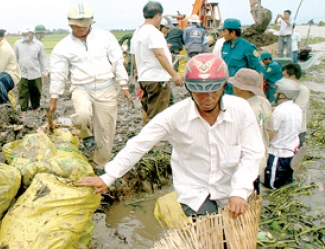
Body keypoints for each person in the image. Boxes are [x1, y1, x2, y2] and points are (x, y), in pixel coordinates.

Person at [79, 54, 263, 219]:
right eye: (199, 90)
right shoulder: (174, 116)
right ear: (189, 88)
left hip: (231, 185)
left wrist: (239, 191)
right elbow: (140, 144)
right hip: (195, 191)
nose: (206, 97)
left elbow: (253, 153)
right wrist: (108, 176)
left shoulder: (241, 110)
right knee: (210, 231)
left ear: (224, 85)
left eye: (213, 90)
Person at [49, 3, 132, 175]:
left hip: (106, 87)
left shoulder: (105, 37)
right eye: (78, 25)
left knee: (105, 131)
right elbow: (59, 73)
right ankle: (86, 134)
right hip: (81, 88)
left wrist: (123, 84)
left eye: (86, 24)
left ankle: (99, 165)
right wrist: (54, 97)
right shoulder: (63, 47)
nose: (82, 28)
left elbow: (117, 61)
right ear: (70, 24)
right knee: (82, 114)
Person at [131, 2, 182, 125]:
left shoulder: (137, 33)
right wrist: (174, 74)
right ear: (158, 15)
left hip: (145, 77)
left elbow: (134, 56)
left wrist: (137, 73)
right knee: (157, 114)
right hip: (157, 78)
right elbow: (159, 54)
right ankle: (154, 141)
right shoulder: (153, 33)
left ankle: (160, 137)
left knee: (149, 108)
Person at [229, 68, 274, 194]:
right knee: (255, 186)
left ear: (240, 88)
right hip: (260, 157)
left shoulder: (239, 109)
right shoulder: (264, 102)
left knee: (242, 189)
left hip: (245, 160)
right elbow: (271, 130)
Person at [263, 78, 302, 189]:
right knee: (285, 186)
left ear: (283, 95)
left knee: (272, 187)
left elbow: (270, 136)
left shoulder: (280, 111)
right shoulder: (297, 109)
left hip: (278, 156)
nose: (274, 94)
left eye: (276, 92)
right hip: (290, 154)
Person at [220, 18, 263, 95]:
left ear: (232, 33)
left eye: (224, 31)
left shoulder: (248, 48)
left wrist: (260, 93)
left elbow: (258, 71)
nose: (223, 34)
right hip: (226, 88)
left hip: (242, 90)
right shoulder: (225, 46)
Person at [14, 26, 48, 118]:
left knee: (36, 94)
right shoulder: (18, 44)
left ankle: (34, 114)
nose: (23, 36)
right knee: (22, 94)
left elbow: (43, 59)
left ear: (31, 34)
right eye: (22, 34)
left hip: (35, 74)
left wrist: (45, 72)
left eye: (25, 34)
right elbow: (16, 59)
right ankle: (24, 116)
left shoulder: (39, 44)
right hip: (22, 74)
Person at [282, 63, 309, 148]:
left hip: (297, 130)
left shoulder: (303, 91)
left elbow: (297, 110)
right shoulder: (286, 89)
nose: (283, 79)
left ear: (293, 77)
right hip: (287, 129)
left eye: (285, 76)